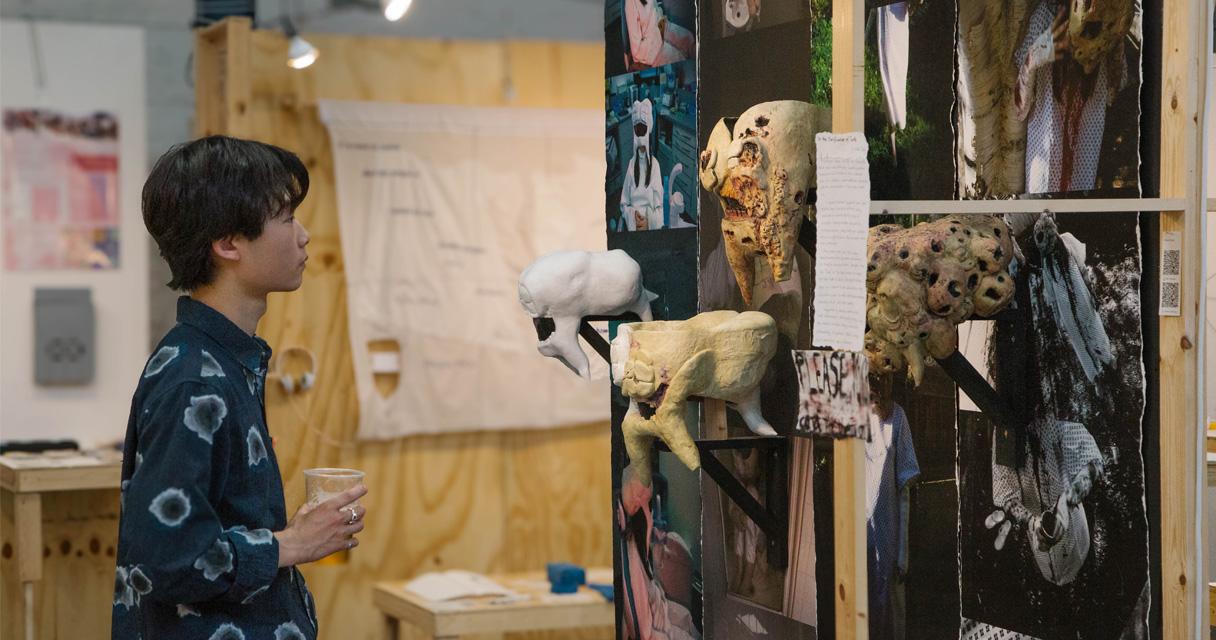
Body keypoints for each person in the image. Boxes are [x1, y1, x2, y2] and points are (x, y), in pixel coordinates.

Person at [111, 136, 368, 640]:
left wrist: (287, 538)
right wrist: (291, 544)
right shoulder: (192, 378)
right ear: (229, 243)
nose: (304, 235)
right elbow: (169, 558)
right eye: (287, 217)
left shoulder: (226, 362)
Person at [620, 99, 665, 231]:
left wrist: (649, 223)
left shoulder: (655, 166)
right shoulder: (631, 165)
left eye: (643, 129)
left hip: (650, 227)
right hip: (633, 225)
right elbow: (624, 204)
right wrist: (632, 217)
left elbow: (660, 207)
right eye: (637, 130)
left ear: (649, 128)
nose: (640, 135)